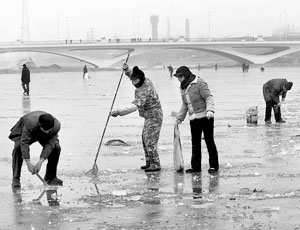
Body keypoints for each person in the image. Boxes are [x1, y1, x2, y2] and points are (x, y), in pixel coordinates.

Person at [111, 64, 163, 172]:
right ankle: (149, 162)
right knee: (144, 139)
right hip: (149, 116)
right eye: (132, 81)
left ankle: (155, 163)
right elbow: (133, 75)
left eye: (135, 81)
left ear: (140, 80)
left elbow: (134, 107)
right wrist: (127, 70)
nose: (133, 83)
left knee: (150, 140)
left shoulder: (144, 90)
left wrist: (118, 111)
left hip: (154, 116)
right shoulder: (144, 80)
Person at [174, 66, 219, 174]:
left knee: (209, 141)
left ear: (185, 75)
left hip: (206, 117)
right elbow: (185, 104)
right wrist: (179, 118)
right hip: (194, 119)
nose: (179, 79)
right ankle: (196, 167)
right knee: (195, 143)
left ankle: (213, 166)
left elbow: (208, 97)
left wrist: (210, 110)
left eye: (180, 76)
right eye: (178, 77)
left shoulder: (199, 83)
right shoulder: (183, 88)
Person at [9, 111, 63, 193]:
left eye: (49, 130)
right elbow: (24, 142)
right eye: (45, 130)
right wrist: (28, 163)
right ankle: (16, 180)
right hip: (26, 128)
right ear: (39, 125)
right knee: (18, 147)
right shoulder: (30, 123)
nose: (47, 132)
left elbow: (49, 144)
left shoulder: (56, 126)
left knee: (56, 148)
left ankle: (50, 177)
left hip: (42, 129)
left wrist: (40, 161)